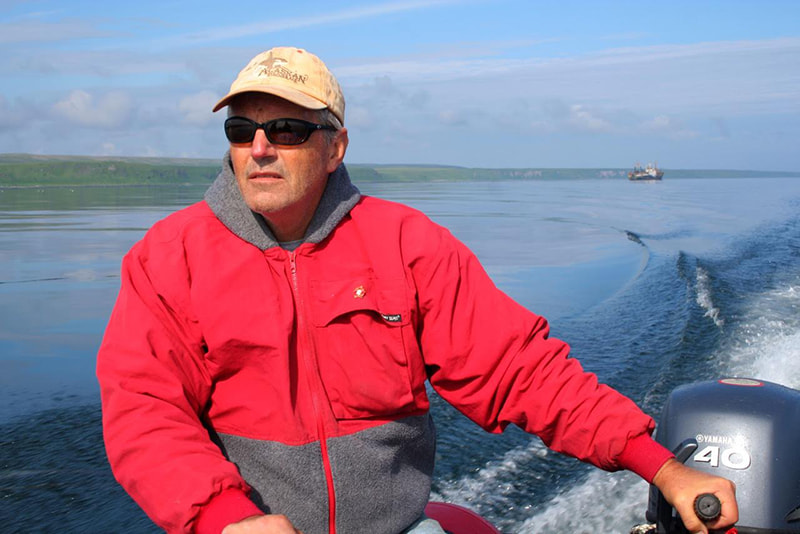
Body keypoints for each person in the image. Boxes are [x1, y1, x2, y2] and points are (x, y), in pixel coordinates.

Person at [96, 46, 738, 534]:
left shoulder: (406, 244)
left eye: (287, 130)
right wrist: (224, 516)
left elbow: (521, 370)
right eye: (242, 130)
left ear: (334, 146)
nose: (260, 148)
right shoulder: (169, 256)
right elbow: (144, 408)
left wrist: (661, 465)